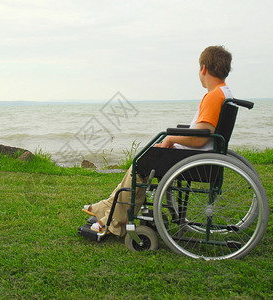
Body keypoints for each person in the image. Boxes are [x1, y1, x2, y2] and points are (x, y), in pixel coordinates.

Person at [82, 45, 234, 236]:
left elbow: (200, 138)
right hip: (201, 156)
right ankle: (107, 207)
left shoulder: (213, 96)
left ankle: (115, 221)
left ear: (203, 68)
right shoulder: (224, 93)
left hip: (194, 158)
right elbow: (204, 135)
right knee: (146, 157)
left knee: (141, 165)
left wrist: (170, 139)